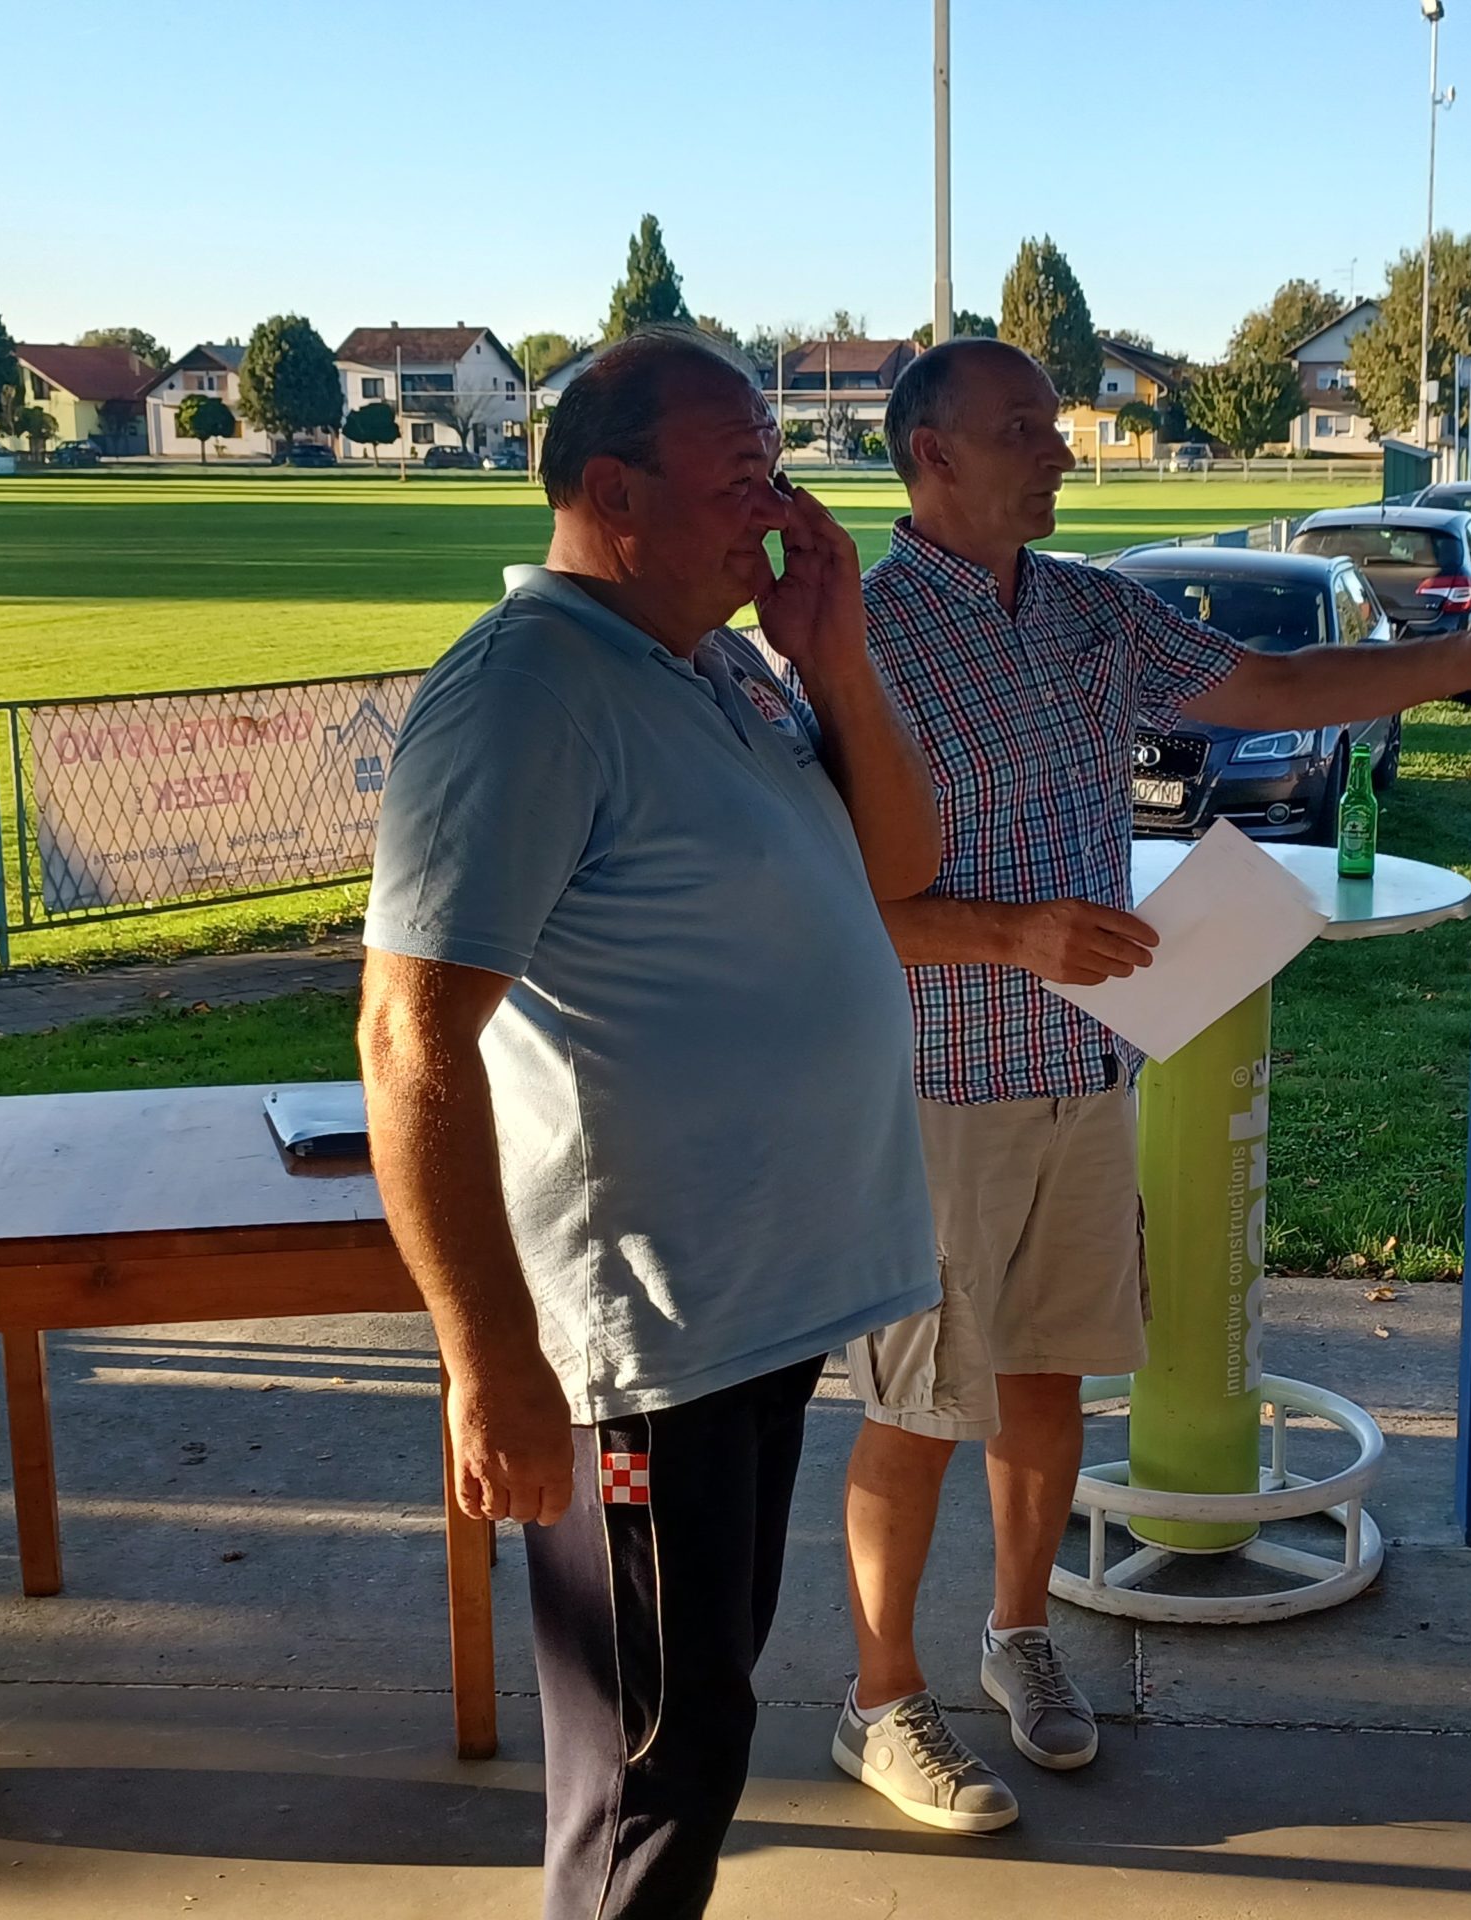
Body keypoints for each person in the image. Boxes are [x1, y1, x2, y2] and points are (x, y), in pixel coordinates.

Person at [833, 337, 1471, 1832]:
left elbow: (1275, 682)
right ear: (932, 455)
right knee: (920, 1404)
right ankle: (879, 1702)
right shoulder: (855, 641)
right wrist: (1016, 934)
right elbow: (824, 899)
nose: (1058, 452)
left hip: (1080, 1070)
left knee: (1047, 1379)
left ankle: (1019, 1638)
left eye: (1055, 425)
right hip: (930, 1088)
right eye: (1024, 430)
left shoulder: (1088, 607)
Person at [358, 328, 944, 1917]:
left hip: (755, 1309)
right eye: (743, 476)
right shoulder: (527, 692)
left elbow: (900, 869)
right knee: (652, 1772)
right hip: (640, 1346)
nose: (779, 511)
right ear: (613, 494)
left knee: (701, 1718)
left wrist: (837, 657)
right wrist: (490, 1362)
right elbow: (410, 1038)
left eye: (779, 473)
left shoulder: (721, 665)